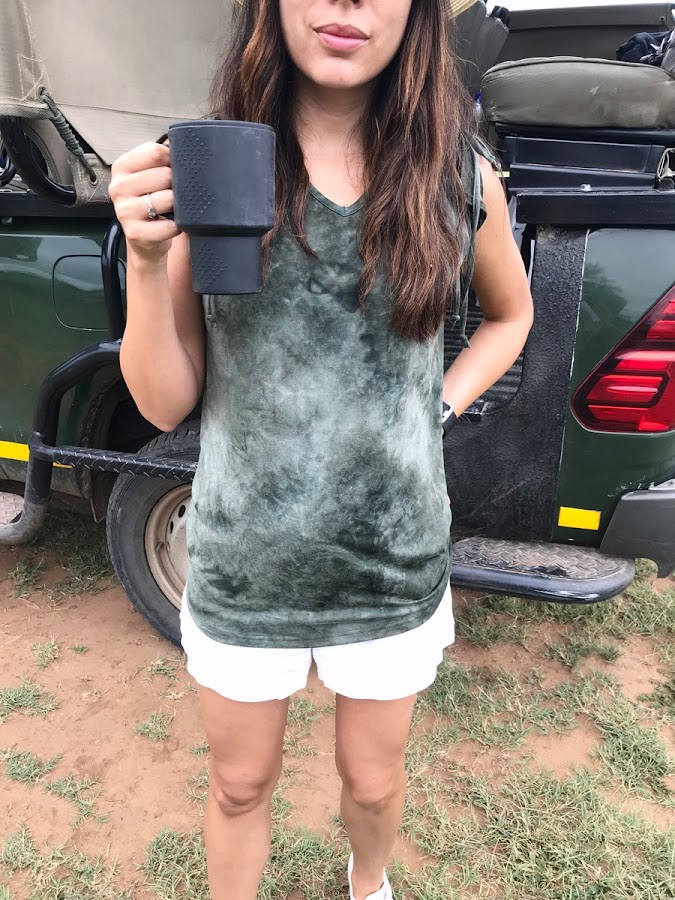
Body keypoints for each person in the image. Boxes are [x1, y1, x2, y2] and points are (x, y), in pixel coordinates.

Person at [108, 1, 533, 898]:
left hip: (389, 557)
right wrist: (144, 262)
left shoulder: (455, 176)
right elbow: (164, 402)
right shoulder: (209, 168)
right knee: (238, 784)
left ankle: (367, 883)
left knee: (373, 782)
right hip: (246, 560)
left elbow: (510, 315)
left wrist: (435, 406)